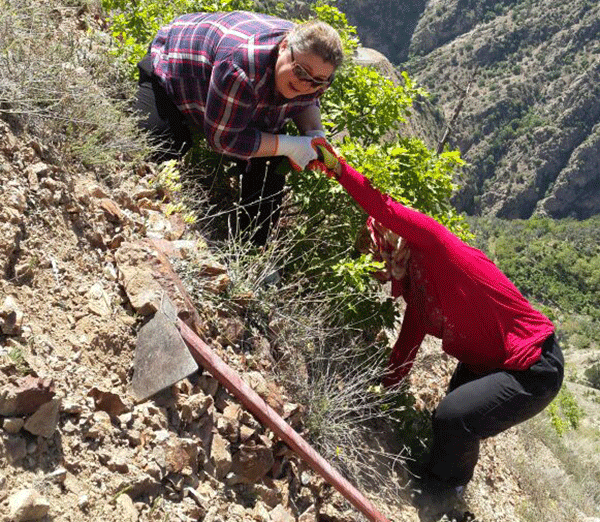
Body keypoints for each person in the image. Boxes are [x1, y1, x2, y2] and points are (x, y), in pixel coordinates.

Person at [314, 143, 564, 502]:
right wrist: (370, 398)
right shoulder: (417, 297)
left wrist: (338, 169)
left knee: (453, 419)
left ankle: (445, 495)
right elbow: (404, 352)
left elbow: (381, 206)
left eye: (376, 256)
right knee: (451, 416)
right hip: (490, 360)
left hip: (534, 364)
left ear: (388, 243)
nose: (379, 271)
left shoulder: (435, 244)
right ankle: (439, 474)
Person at [134, 11, 344, 246]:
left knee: (269, 169)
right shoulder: (240, 66)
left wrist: (315, 135)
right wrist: (289, 145)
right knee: (159, 148)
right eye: (300, 72)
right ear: (284, 46)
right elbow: (223, 140)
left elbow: (307, 98)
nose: (306, 84)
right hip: (174, 71)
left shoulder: (314, 72)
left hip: (234, 90)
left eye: (317, 81)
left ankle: (252, 249)